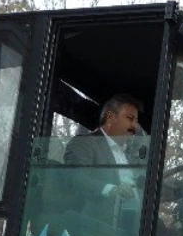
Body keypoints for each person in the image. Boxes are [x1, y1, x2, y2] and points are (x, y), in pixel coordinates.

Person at [64, 94, 149, 225]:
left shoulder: (130, 156)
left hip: (133, 230)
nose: (135, 126)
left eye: (136, 121)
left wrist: (178, 190)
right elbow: (75, 178)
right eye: (130, 119)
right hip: (96, 227)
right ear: (110, 118)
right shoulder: (85, 143)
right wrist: (111, 190)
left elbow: (144, 184)